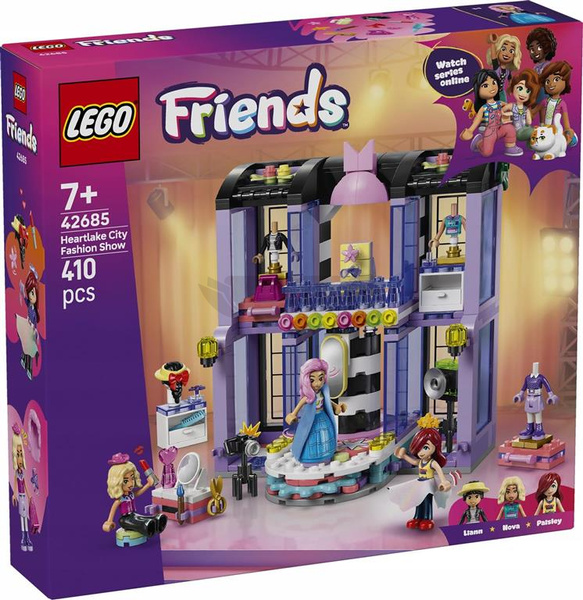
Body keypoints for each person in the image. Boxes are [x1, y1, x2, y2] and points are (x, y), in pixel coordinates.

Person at [387, 413, 452, 531]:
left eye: (425, 448)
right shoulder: (421, 461)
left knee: (426, 501)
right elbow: (413, 461)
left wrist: (443, 482)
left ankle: (427, 518)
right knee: (418, 500)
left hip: (429, 484)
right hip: (420, 483)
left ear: (435, 447)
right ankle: (417, 517)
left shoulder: (432, 463)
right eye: (419, 448)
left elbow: (440, 472)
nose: (421, 452)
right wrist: (403, 456)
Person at [285, 358, 346, 465]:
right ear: (306, 380)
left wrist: (337, 406)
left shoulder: (323, 392)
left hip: (323, 417)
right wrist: (293, 415)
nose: (317, 383)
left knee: (326, 435)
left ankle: (327, 455)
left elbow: (328, 401)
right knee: (309, 437)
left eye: (320, 378)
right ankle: (309, 458)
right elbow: (298, 407)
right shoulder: (308, 397)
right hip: (311, 420)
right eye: (312, 380)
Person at [102, 453, 167, 539]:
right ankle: (145, 526)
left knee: (144, 518)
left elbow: (138, 493)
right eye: (126, 481)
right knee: (140, 522)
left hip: (134, 515)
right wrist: (109, 522)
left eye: (132, 478)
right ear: (117, 482)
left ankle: (156, 520)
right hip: (125, 520)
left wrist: (148, 484)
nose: (131, 483)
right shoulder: (120, 500)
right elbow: (113, 509)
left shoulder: (131, 494)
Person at [460, 69, 522, 157]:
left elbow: (510, 106)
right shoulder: (484, 108)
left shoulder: (499, 103)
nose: (492, 87)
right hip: (489, 132)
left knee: (510, 128)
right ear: (478, 90)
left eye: (494, 82)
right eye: (485, 85)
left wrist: (517, 109)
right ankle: (479, 143)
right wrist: (470, 130)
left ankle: (510, 147)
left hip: (500, 128)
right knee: (487, 153)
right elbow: (477, 120)